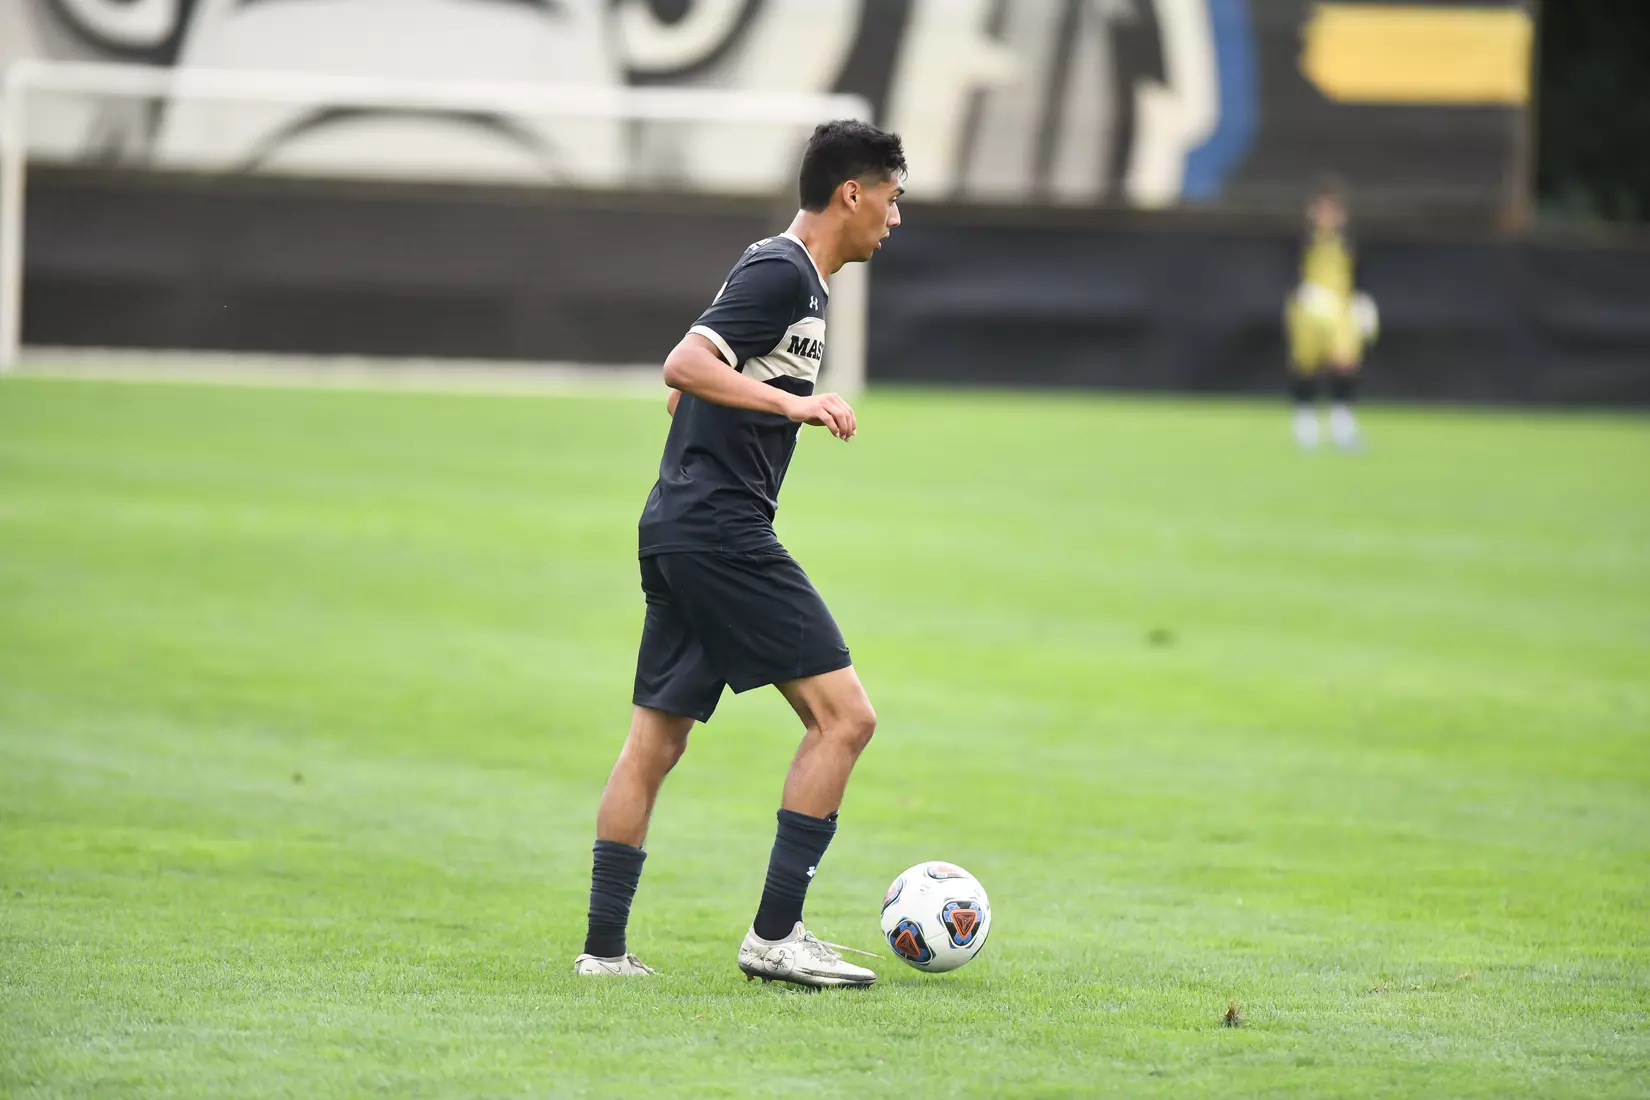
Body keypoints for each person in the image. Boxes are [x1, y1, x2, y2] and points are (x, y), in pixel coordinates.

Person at [574, 120, 907, 989]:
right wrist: (792, 407)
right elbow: (682, 363)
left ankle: (603, 953)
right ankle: (775, 935)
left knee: (655, 740)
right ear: (852, 193)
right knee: (847, 718)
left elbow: (701, 382)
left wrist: (728, 409)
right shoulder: (781, 270)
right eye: (892, 197)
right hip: (723, 532)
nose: (894, 218)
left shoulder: (788, 271)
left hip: (681, 526)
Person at [1285, 179, 1377, 451]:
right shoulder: (1302, 240)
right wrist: (1304, 294)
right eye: (1322, 209)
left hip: (1340, 310)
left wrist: (1362, 302)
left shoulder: (1350, 242)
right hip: (1308, 309)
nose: (1327, 216)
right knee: (1305, 366)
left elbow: (1359, 275)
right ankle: (1305, 421)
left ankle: (1342, 423)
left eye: (1332, 210)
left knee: (1345, 363)